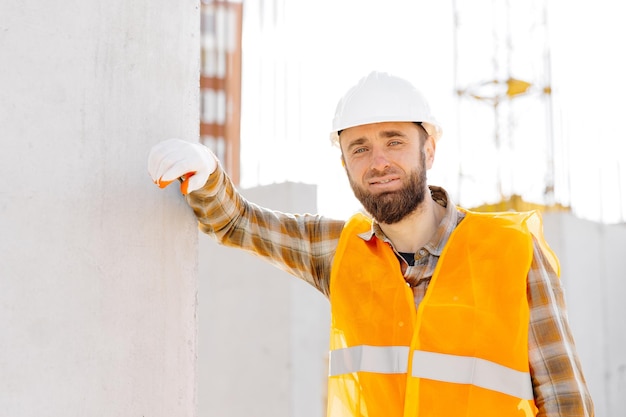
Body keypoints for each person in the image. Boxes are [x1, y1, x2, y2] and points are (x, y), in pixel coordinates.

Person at [148, 71, 594, 416]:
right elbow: (239, 223)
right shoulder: (340, 251)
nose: (378, 162)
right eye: (359, 148)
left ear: (429, 150)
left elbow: (565, 398)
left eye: (394, 141)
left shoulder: (510, 251)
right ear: (343, 162)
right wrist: (207, 174)